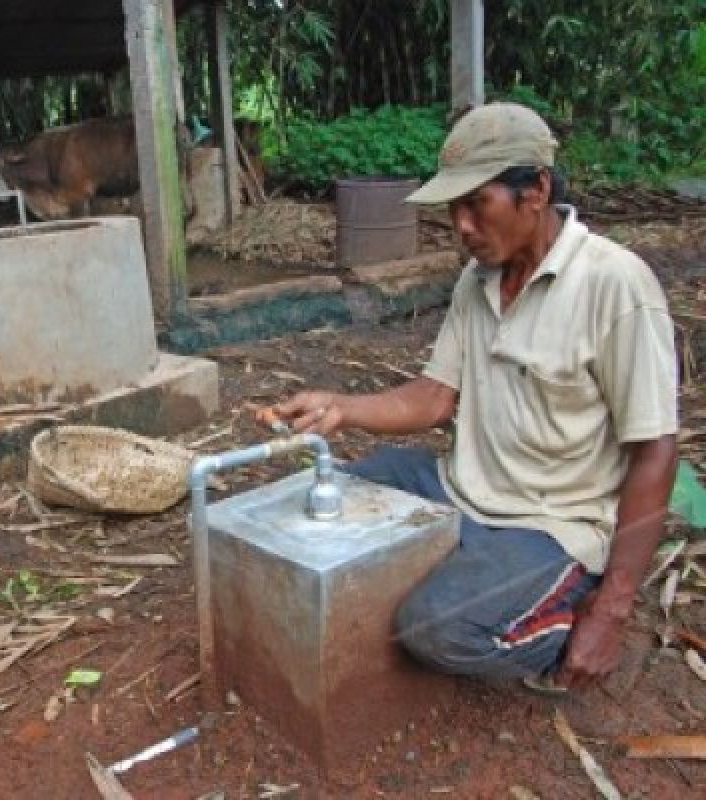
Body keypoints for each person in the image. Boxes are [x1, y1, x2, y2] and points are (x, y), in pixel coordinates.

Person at [270, 103, 678, 691]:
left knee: (434, 629)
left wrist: (613, 609)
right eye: (453, 208)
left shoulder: (615, 285)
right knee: (340, 492)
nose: (460, 225)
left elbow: (655, 453)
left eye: (475, 203)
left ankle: (566, 617)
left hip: (551, 523)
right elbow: (436, 397)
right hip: (460, 487)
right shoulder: (477, 280)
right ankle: (476, 574)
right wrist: (340, 407)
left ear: (535, 189)